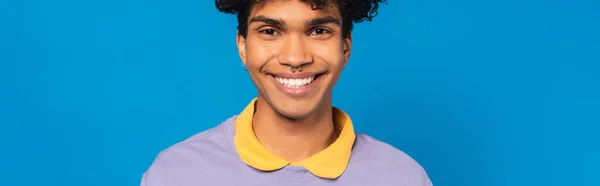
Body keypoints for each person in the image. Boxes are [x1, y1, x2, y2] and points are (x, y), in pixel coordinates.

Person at [141, 0, 432, 185]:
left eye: (318, 31)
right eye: (270, 31)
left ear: (346, 46)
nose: (295, 58)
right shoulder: (177, 174)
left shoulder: (403, 177)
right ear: (243, 46)